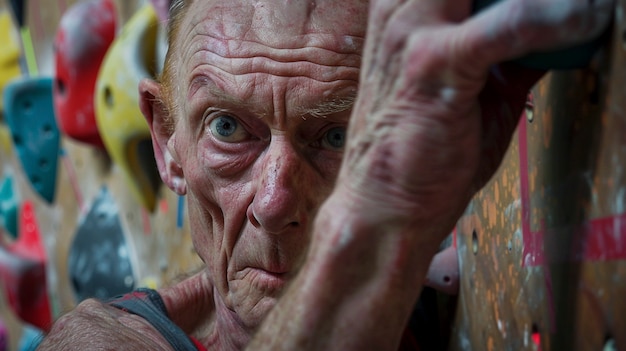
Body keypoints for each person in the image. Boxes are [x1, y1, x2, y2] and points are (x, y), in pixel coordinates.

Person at [38, 0, 613, 350]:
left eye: (336, 136)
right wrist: (390, 218)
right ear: (167, 141)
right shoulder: (98, 345)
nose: (274, 201)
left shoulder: (428, 298)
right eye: (229, 130)